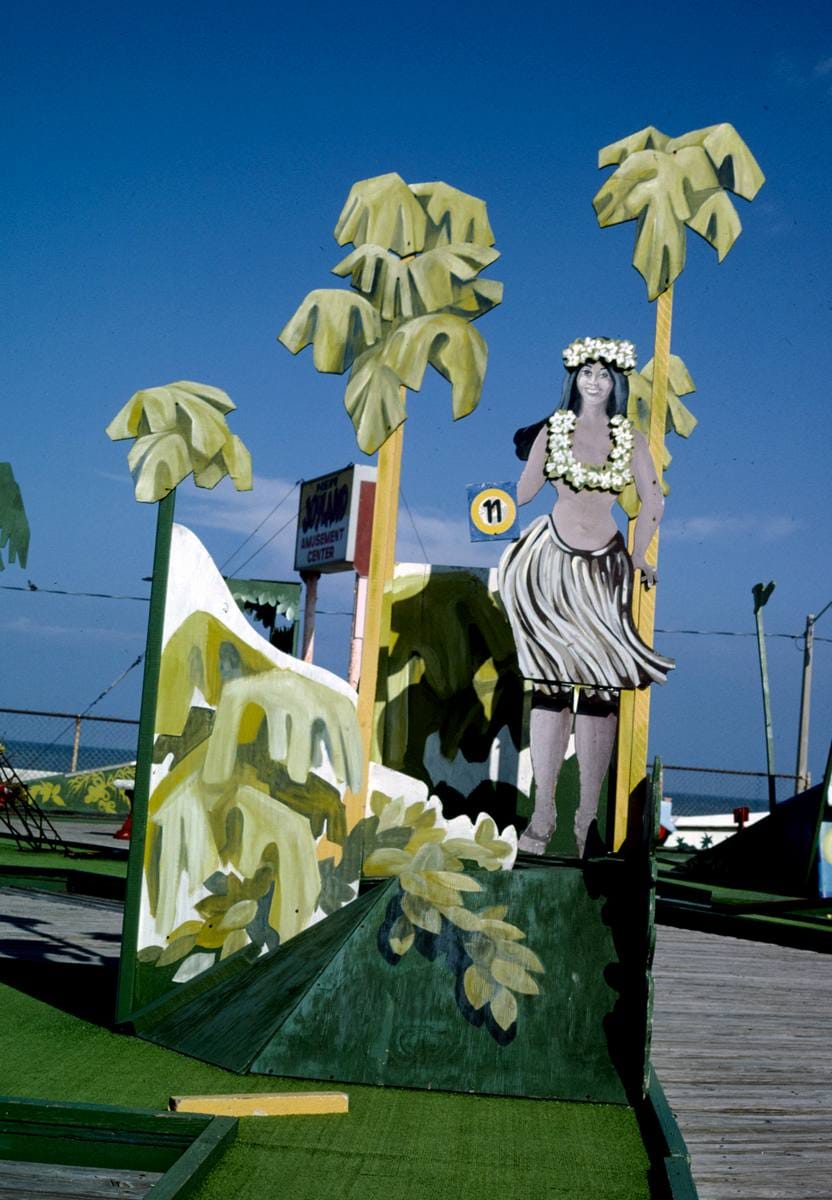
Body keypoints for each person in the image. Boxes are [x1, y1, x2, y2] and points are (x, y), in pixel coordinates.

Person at [497, 337, 673, 856]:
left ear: (617, 382)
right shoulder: (554, 430)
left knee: (600, 694)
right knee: (552, 687)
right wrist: (490, 505)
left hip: (604, 573)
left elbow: (652, 498)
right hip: (551, 564)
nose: (594, 381)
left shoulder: (632, 438)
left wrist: (641, 554)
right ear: (573, 377)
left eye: (604, 374)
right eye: (586, 372)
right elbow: (523, 490)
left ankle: (587, 821)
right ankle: (543, 812)